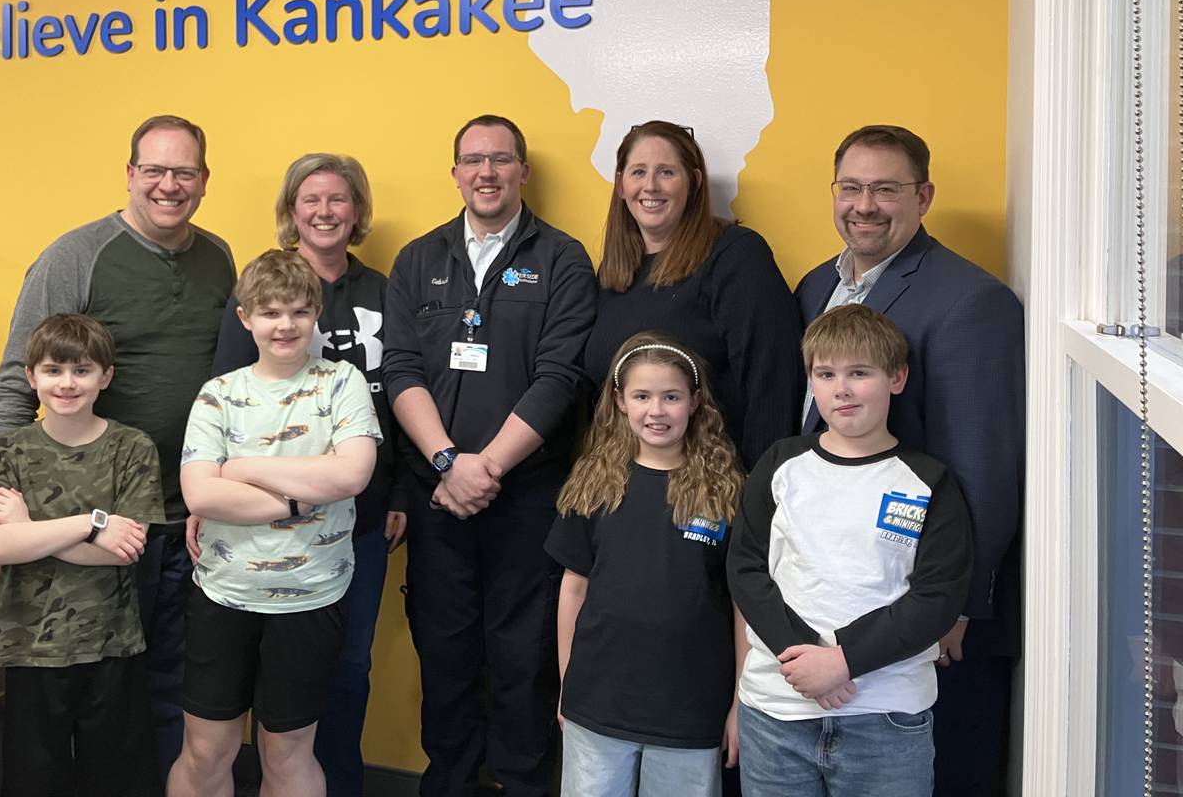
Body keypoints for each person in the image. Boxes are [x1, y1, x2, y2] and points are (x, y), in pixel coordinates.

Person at [0, 115, 237, 773]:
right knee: (93, 697)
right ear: (129, 175)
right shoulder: (76, 256)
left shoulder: (219, 259)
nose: (168, 185)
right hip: (94, 520)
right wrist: (0, 504)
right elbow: (17, 384)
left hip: (192, 517)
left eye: (183, 172)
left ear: (204, 181)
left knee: (173, 688)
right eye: (153, 170)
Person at [794, 124, 1024, 796]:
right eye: (851, 188)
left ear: (923, 197)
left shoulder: (971, 301)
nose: (864, 205)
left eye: (886, 189)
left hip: (931, 613)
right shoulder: (818, 286)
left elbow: (983, 467)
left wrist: (956, 604)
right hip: (845, 593)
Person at [383, 114, 597, 797]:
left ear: (522, 172)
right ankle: (447, 784)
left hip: (527, 498)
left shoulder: (563, 258)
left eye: (501, 160)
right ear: (455, 173)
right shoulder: (419, 259)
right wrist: (450, 463)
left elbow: (559, 378)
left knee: (523, 658)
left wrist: (487, 467)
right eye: (473, 160)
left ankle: (524, 785)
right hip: (438, 497)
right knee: (444, 657)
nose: (486, 173)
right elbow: (402, 370)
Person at [202, 152, 408, 797]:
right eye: (310, 200)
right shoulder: (258, 293)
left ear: (357, 211)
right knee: (269, 684)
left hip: (361, 519)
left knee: (347, 668)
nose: (324, 212)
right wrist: (210, 500)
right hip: (258, 528)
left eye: (338, 199)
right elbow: (222, 409)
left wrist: (399, 490)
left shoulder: (385, 291)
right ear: (292, 212)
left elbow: (401, 391)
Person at [727, 304, 973, 796]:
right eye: (826, 373)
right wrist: (806, 659)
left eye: (859, 373)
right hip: (777, 711)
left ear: (896, 378)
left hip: (886, 718)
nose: (841, 389)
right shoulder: (781, 464)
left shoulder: (929, 481)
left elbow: (937, 597)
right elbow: (746, 569)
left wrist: (844, 661)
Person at [170, 249, 381, 797]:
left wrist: (241, 469)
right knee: (205, 751)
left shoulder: (343, 384)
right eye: (269, 312)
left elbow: (352, 474)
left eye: (297, 311)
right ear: (246, 318)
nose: (284, 325)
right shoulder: (219, 395)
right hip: (223, 596)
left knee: (287, 757)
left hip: (310, 601)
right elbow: (199, 492)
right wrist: (294, 500)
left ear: (315, 315)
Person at [0, 313, 165, 797]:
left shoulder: (132, 449)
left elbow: (126, 550)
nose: (67, 383)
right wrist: (91, 524)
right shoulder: (7, 452)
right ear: (31, 377)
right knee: (33, 779)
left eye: (81, 370)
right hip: (30, 644)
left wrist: (28, 531)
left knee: (116, 778)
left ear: (106, 376)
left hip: (110, 642)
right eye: (54, 370)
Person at [547, 333, 746, 797]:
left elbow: (743, 607)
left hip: (691, 708)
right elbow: (572, 589)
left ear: (695, 402)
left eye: (671, 397)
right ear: (619, 401)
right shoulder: (594, 482)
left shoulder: (727, 491)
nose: (656, 411)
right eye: (642, 396)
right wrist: (566, 683)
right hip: (597, 701)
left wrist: (740, 704)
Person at [583, 120, 802, 470]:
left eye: (666, 172)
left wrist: (759, 496)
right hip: (622, 482)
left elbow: (773, 383)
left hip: (711, 485)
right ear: (621, 186)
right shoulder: (614, 272)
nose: (650, 186)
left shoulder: (736, 256)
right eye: (638, 172)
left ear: (695, 183)